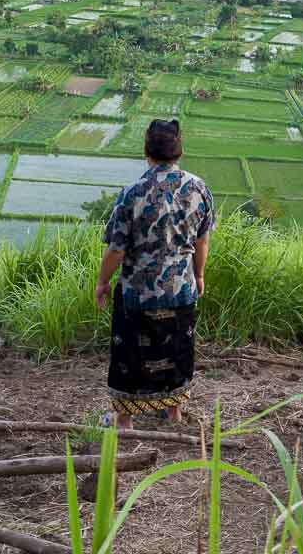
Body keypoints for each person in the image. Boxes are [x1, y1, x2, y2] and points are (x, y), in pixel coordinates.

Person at [94, 119, 214, 430]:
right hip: (181, 290)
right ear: (179, 150)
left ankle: (125, 419)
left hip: (137, 294)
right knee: (177, 349)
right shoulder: (198, 188)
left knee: (130, 352)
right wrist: (198, 275)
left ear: (147, 150)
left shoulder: (132, 193)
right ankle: (173, 411)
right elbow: (202, 241)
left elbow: (117, 250)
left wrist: (102, 281)